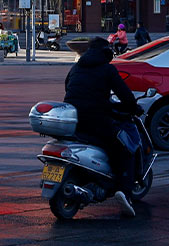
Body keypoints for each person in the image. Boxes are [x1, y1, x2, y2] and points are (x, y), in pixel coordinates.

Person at [63, 36, 140, 217]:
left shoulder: (76, 68)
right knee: (125, 148)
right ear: (106, 53)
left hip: (73, 121)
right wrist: (133, 108)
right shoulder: (107, 69)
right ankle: (124, 191)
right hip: (97, 120)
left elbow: (68, 88)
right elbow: (124, 94)